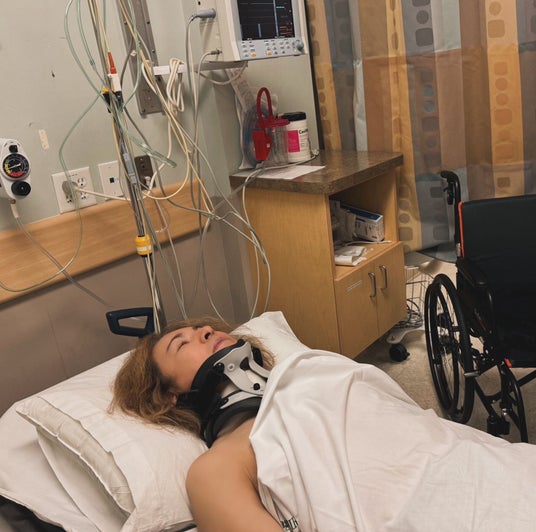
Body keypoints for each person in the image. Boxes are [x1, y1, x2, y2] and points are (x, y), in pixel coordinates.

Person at [112, 317, 282, 531]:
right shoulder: (216, 471)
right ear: (168, 396)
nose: (208, 330)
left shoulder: (300, 373)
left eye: (200, 328)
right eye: (182, 344)